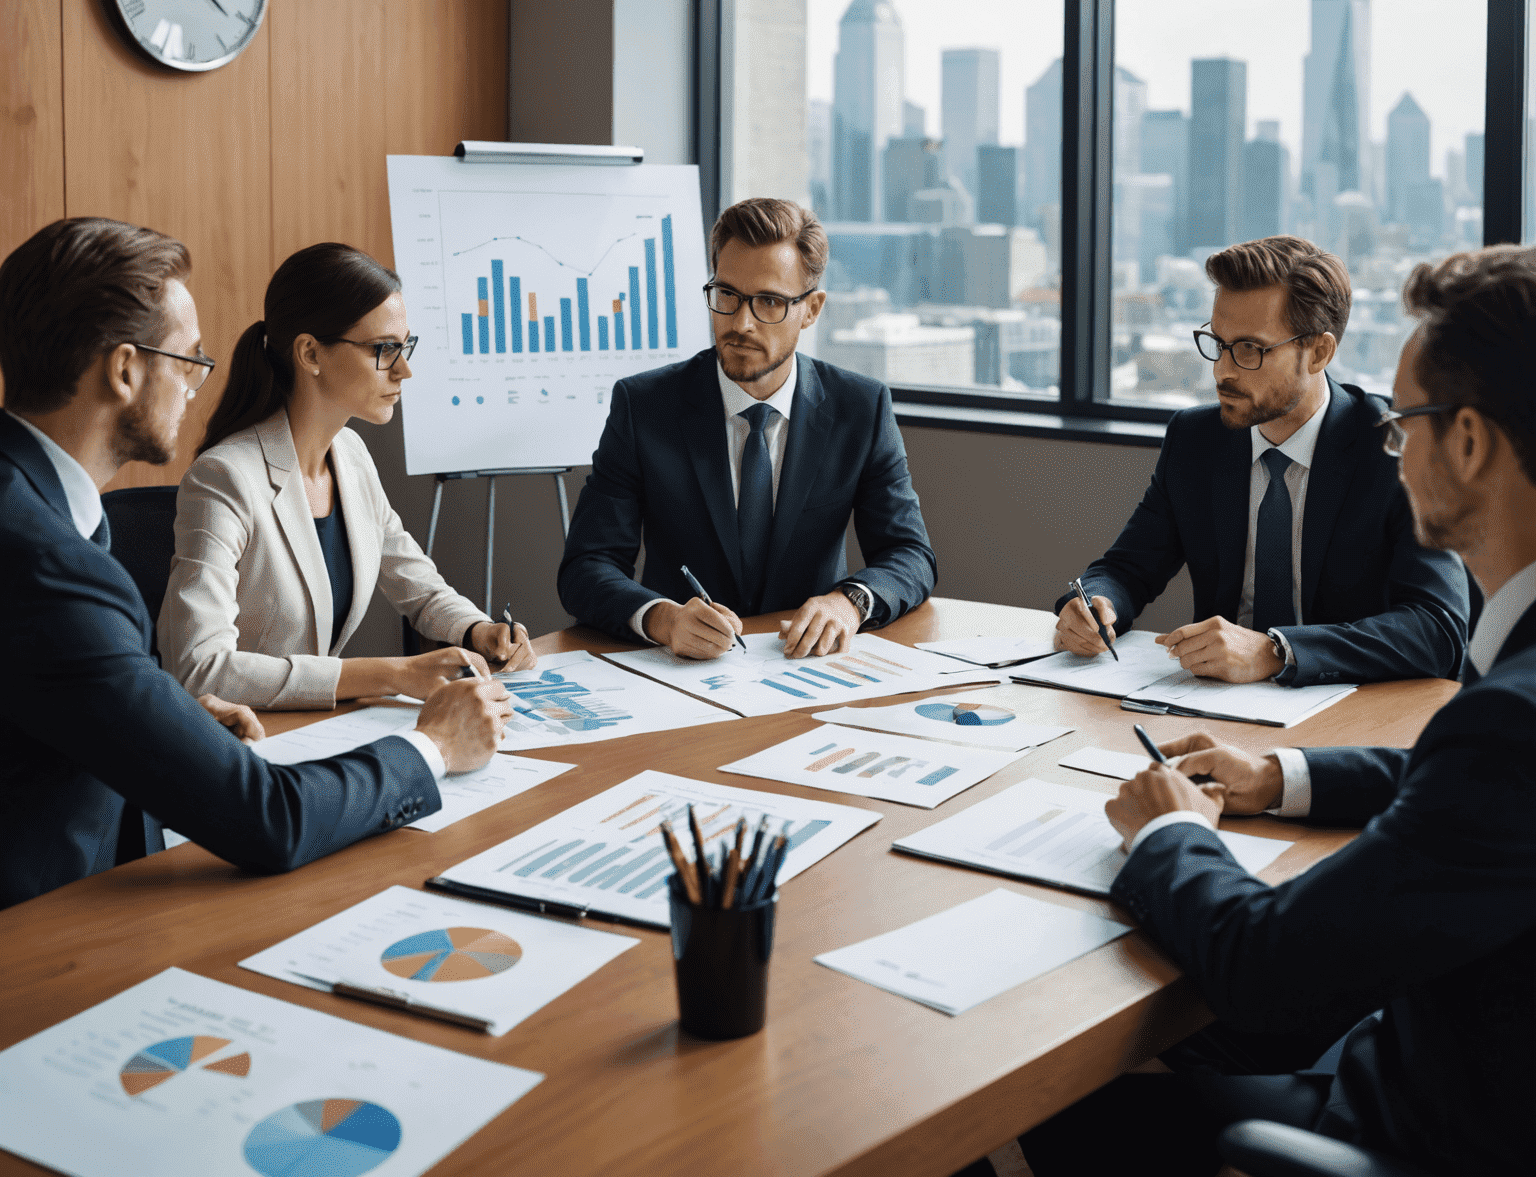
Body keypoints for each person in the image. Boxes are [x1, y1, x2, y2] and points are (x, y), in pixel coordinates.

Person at [1008, 244, 1536, 1177]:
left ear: (1467, 441)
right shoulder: (1508, 725)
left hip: (1400, 1126)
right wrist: (1279, 777)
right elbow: (1470, 785)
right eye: (1219, 342)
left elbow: (1267, 974)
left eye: (1405, 424)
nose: (1394, 445)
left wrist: (1172, 836)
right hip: (1463, 1054)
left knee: (1050, 1084)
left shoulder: (1504, 724)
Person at [0, 218, 513, 909]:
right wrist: (434, 747)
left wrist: (174, 722)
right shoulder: (49, 565)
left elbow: (52, 707)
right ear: (125, 369)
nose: (196, 384)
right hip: (47, 926)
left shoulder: (38, 508)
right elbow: (269, 819)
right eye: (187, 361)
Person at [1055, 235, 1468, 686]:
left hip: (1349, 714)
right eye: (1218, 342)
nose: (1222, 370)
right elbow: (1127, 568)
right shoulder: (1196, 440)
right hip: (1214, 705)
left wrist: (1277, 651)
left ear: (1319, 352)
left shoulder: (1395, 447)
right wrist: (1096, 603)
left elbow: (1438, 629)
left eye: (1250, 349)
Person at [159, 243, 536, 708]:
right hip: (242, 740)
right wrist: (393, 674)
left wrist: (478, 630)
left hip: (315, 728)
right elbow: (201, 668)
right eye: (384, 349)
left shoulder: (351, 455)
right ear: (311, 353)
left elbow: (418, 587)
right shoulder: (224, 477)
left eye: (405, 347)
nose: (405, 370)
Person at [557, 198, 936, 659]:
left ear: (812, 309)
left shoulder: (861, 408)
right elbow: (586, 567)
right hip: (678, 673)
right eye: (727, 296)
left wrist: (848, 602)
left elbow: (910, 555)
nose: (741, 323)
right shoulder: (644, 407)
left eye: (770, 302)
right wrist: (663, 617)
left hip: (806, 667)